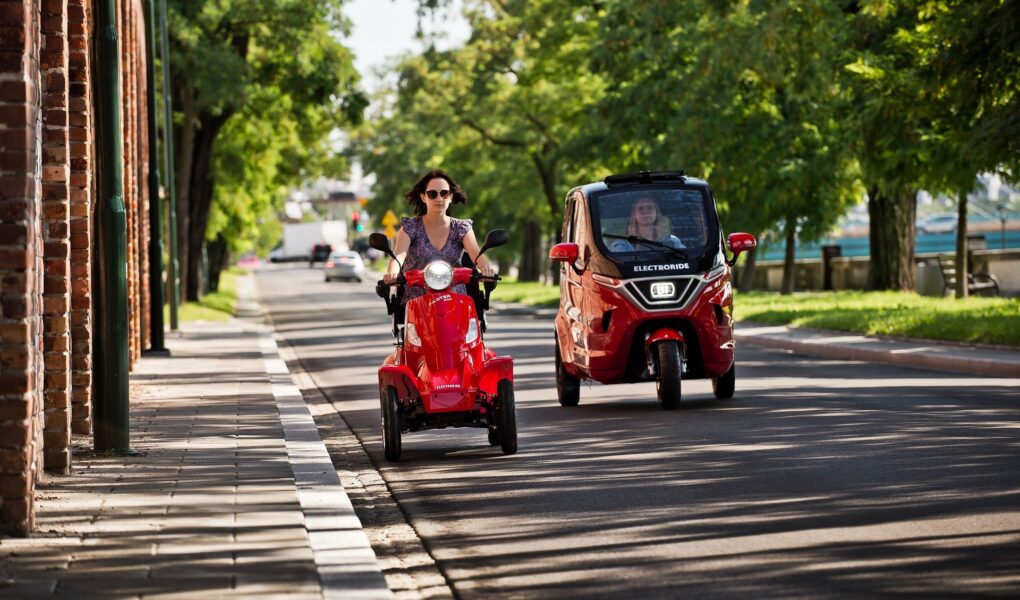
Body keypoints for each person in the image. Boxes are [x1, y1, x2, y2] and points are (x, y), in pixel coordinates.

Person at [383, 170, 496, 305]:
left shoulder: (461, 228)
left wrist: (486, 270)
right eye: (432, 194)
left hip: (455, 301)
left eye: (444, 193)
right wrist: (392, 274)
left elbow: (476, 255)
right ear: (423, 197)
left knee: (471, 323)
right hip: (417, 302)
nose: (439, 198)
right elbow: (399, 256)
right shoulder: (410, 227)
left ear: (451, 197)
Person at [607, 196, 685, 252]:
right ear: (634, 215)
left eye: (650, 207)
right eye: (640, 208)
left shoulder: (673, 242)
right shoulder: (622, 245)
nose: (645, 211)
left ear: (656, 213)